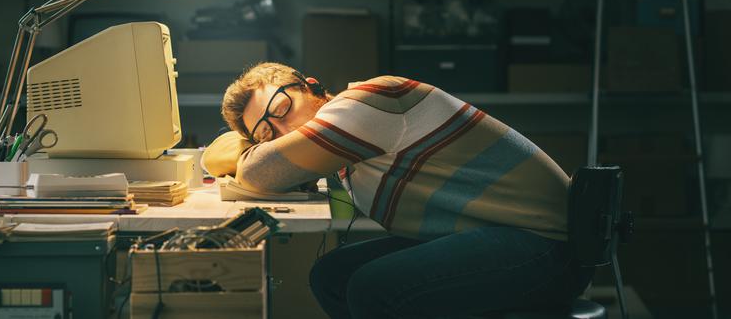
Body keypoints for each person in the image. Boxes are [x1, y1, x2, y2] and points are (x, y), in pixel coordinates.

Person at [201, 62, 594, 319]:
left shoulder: (369, 101)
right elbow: (222, 158)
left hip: (548, 248)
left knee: (372, 289)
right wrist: (256, 144)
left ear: (312, 85)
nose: (285, 132)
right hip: (504, 237)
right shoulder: (342, 150)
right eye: (268, 133)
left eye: (283, 109)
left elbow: (260, 172)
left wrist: (259, 148)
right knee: (332, 274)